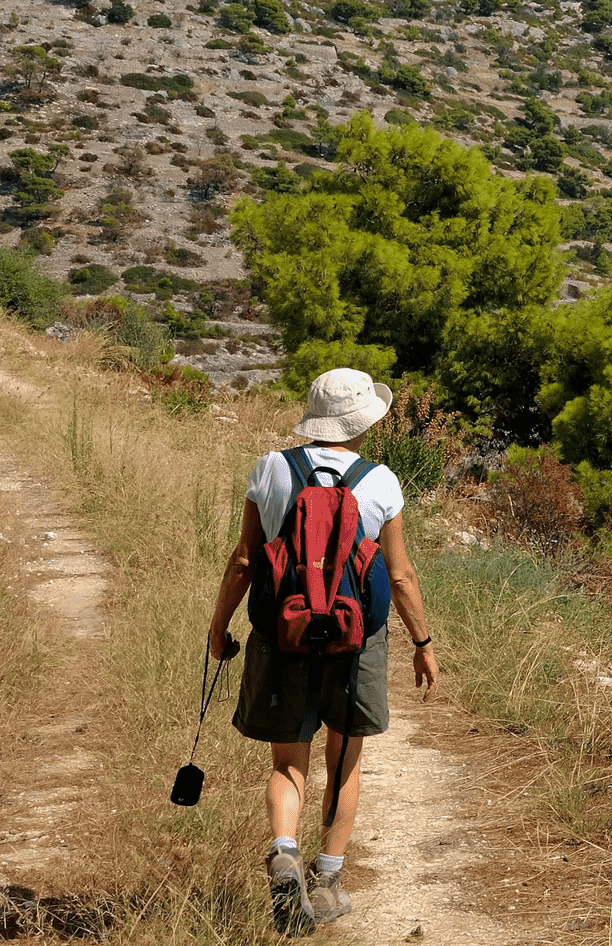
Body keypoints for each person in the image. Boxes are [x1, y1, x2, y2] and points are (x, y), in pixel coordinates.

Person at [206, 368, 439, 933]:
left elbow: (244, 559)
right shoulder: (381, 481)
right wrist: (422, 643)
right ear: (363, 423)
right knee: (345, 758)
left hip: (283, 635)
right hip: (356, 640)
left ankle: (284, 849)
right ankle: (327, 880)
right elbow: (401, 574)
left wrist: (218, 626)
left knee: (289, 761)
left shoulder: (272, 468)